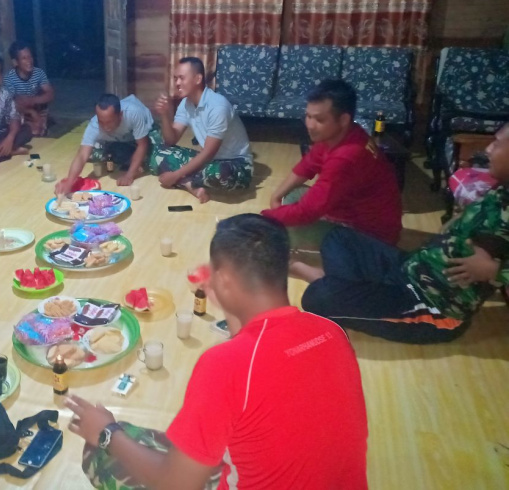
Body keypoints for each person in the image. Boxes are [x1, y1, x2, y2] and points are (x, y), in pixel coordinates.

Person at [68, 214, 368, 490]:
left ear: (222, 280)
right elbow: (263, 367)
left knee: (103, 452)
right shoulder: (331, 332)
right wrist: (231, 304)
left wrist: (106, 432)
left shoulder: (224, 365)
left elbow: (175, 485)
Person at [295, 127, 509, 344]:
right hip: (411, 268)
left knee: (317, 298)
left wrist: (495, 270)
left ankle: (331, 283)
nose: (488, 149)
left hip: (432, 306)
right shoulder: (503, 189)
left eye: (498, 143)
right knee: (338, 237)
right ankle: (347, 288)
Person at [261, 79, 402, 246]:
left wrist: (264, 217)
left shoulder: (347, 156)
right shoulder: (343, 134)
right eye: (308, 116)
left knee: (283, 230)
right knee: (291, 195)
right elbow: (307, 165)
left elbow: (306, 212)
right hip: (350, 209)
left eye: (319, 120)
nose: (310, 125)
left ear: (343, 119)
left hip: (369, 236)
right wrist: (276, 197)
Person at [151, 57, 253, 204]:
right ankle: (189, 184)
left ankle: (184, 180)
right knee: (159, 153)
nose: (177, 83)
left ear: (198, 79)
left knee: (222, 173)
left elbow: (208, 152)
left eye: (181, 78)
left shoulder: (218, 106)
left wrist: (176, 175)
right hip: (208, 161)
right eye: (175, 78)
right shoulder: (186, 104)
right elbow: (170, 140)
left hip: (235, 164)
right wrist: (164, 115)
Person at [55, 93, 154, 195]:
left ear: (120, 115)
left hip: (142, 135)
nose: (105, 127)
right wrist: (69, 182)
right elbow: (82, 155)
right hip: (117, 139)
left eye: (109, 122)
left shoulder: (134, 113)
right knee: (95, 156)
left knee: (154, 163)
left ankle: (134, 160)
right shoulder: (94, 125)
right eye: (101, 122)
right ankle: (128, 156)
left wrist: (129, 175)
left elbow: (142, 145)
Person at [3, 40, 54, 137]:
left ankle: (40, 125)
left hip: (36, 107)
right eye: (24, 58)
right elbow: (10, 104)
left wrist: (32, 100)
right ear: (15, 62)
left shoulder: (38, 73)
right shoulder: (9, 78)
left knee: (41, 118)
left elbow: (50, 94)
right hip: (20, 111)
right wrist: (31, 112)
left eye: (30, 57)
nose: (29, 61)